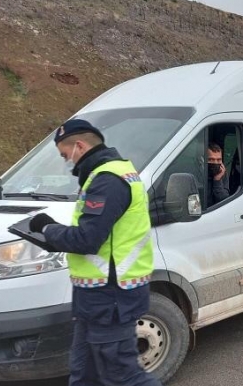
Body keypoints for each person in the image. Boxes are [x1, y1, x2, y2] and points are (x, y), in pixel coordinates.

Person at [27, 119, 162, 386]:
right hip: (96, 297)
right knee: (84, 374)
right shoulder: (107, 175)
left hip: (111, 296)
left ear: (79, 146)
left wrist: (48, 228)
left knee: (123, 376)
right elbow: (97, 233)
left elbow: (88, 239)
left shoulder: (108, 180)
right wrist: (55, 235)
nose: (68, 162)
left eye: (65, 155)